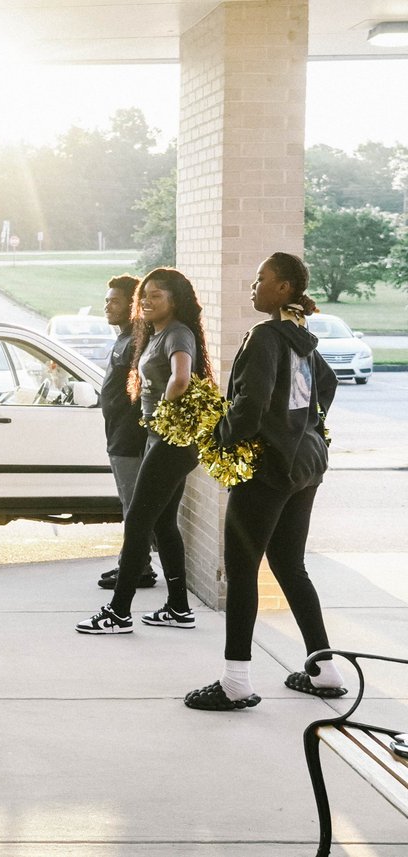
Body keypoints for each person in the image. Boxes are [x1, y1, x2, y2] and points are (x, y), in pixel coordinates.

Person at [185, 253, 342, 710]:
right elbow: (326, 387)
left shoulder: (265, 335)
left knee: (242, 569)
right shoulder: (301, 339)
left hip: (268, 469)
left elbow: (249, 407)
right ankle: (325, 670)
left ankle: (235, 681)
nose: (252, 287)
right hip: (306, 465)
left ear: (284, 289)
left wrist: (219, 435)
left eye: (261, 280)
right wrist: (304, 428)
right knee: (290, 565)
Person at [77, 268, 213, 635]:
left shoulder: (178, 333)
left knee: (138, 520)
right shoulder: (155, 334)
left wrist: (165, 413)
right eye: (145, 295)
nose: (147, 301)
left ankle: (119, 613)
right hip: (161, 438)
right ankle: (179, 608)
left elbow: (181, 377)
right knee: (164, 524)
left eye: (156, 295)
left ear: (175, 300)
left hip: (170, 441)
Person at [97, 275, 158, 590]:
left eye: (115, 301)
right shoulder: (124, 338)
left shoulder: (137, 340)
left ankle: (137, 568)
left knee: (133, 506)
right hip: (118, 436)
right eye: (107, 300)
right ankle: (131, 563)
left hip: (130, 439)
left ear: (132, 305)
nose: (107, 306)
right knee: (130, 504)